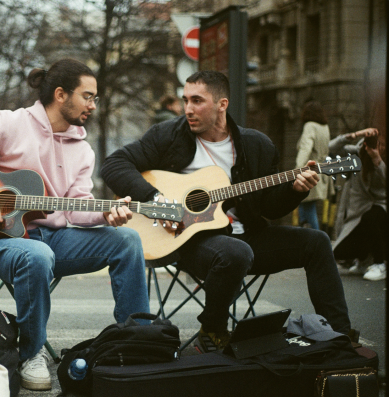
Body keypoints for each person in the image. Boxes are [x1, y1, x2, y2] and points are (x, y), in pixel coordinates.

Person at [0, 58, 150, 391]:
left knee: (127, 239)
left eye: (94, 98)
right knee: (37, 255)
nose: (93, 105)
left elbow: (77, 208)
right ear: (61, 94)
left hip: (56, 240)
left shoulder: (82, 148)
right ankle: (32, 352)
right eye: (87, 96)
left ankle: (136, 344)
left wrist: (106, 213)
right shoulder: (10, 123)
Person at [101, 70, 356, 351]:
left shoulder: (256, 145)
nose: (188, 109)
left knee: (317, 242)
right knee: (235, 252)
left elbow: (271, 208)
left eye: (197, 101)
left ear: (222, 104)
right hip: (190, 243)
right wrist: (157, 200)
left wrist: (296, 189)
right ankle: (212, 329)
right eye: (185, 100)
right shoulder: (168, 136)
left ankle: (339, 336)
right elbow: (114, 165)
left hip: (247, 238)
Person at [330, 127, 386, 281]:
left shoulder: (382, 160)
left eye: (381, 145)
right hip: (360, 211)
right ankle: (363, 260)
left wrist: (377, 161)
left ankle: (380, 264)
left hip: (382, 208)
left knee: (371, 216)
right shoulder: (357, 154)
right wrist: (356, 135)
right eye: (373, 143)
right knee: (339, 253)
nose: (377, 147)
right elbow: (332, 147)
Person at [295, 100, 333, 229]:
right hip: (321, 172)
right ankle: (305, 239)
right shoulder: (325, 128)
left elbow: (306, 148)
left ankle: (317, 239)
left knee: (308, 209)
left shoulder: (310, 126)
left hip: (308, 170)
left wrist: (297, 170)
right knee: (305, 207)